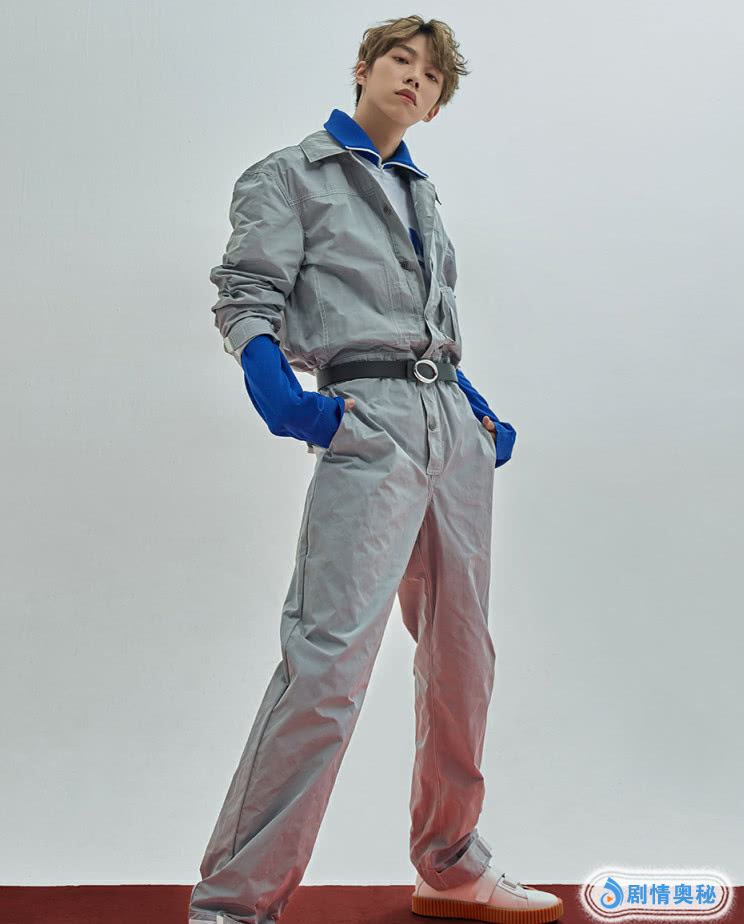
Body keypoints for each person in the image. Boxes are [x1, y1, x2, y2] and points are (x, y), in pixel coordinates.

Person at [188, 15, 562, 924]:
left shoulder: (422, 195)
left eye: (431, 76)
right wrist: (286, 400)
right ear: (363, 69)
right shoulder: (288, 174)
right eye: (401, 59)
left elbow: (426, 326)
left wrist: (476, 409)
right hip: (368, 426)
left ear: (434, 107)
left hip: (452, 434)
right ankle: (235, 903)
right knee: (327, 666)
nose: (414, 78)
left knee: (463, 660)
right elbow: (247, 296)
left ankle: (451, 864)